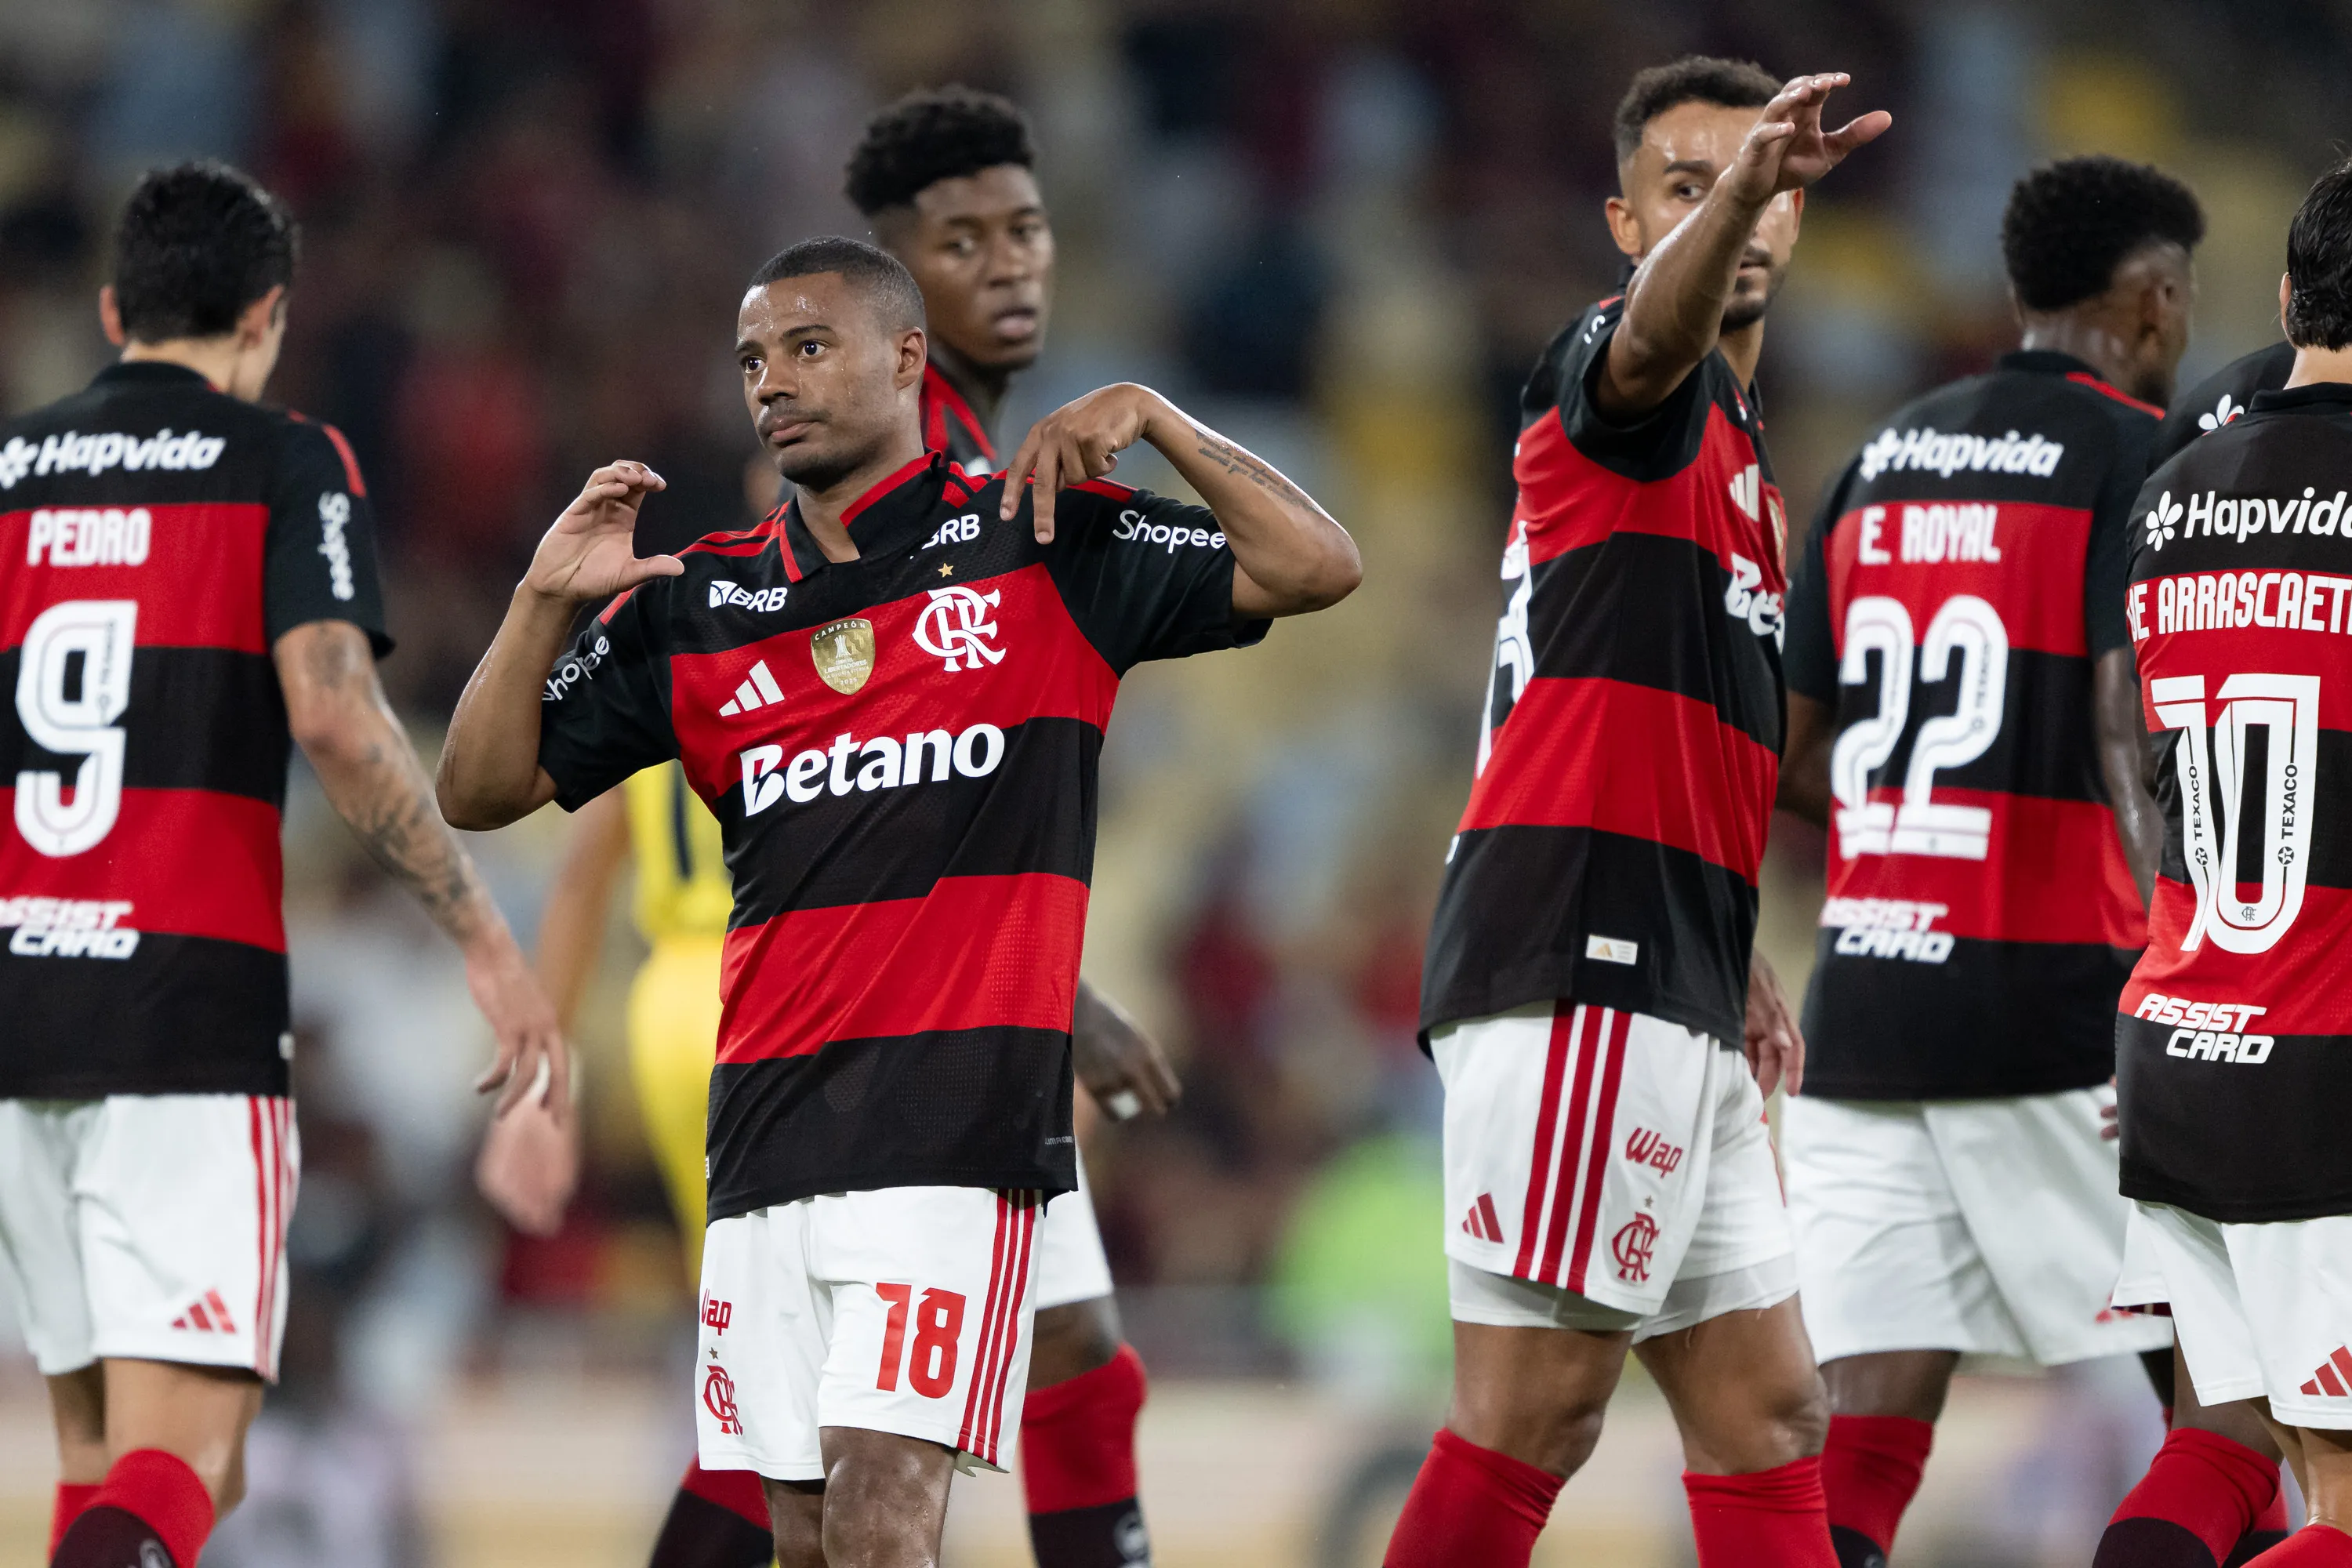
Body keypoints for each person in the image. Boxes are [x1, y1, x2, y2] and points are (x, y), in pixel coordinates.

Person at [435, 236, 1358, 1568]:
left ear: (908, 359)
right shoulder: (697, 605)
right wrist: (536, 601)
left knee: (881, 1523)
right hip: (759, 1139)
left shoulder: (1039, 539)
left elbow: (1318, 564)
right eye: (754, 360)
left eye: (809, 348)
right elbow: (480, 788)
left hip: (952, 1138)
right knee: (802, 1542)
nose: (773, 383)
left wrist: (1156, 420)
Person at [0, 161, 564, 1568]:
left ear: (114, 308)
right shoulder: (284, 461)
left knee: (93, 1456)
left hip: (27, 1013)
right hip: (184, 1012)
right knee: (195, 1457)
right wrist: (489, 944)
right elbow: (333, 713)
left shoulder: (6, 471)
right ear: (267, 316)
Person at [1389, 59, 1888, 1568]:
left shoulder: (1744, 462)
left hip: (1676, 969)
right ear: (1626, 221)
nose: (1735, 214)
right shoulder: (1620, 381)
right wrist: (1739, 191)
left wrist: (1730, 940)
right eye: (1690, 186)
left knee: (1770, 1411)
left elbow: (1694, 736)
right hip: (1580, 959)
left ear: (1800, 221)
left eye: (1760, 187)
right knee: (1532, 1412)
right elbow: (1652, 340)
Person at [1773, 154, 2291, 1568]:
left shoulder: (1882, 458)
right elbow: (2134, 737)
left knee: (1864, 1423)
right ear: (2155, 295)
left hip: (1865, 1010)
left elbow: (1786, 747)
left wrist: (1918, 830)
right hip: (2056, 1004)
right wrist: (2186, 973)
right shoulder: (2139, 458)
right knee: (2229, 1415)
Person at [847, 84, 1178, 1568]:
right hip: (871, 995)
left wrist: (1068, 993)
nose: (1009, 262)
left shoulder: (979, 455)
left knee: (1073, 1361)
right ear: (895, 281)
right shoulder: (867, 458)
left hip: (957, 990)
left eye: (1025, 229)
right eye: (961, 240)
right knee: (835, 1445)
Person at [2100, 155, 2352, 1568]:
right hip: (2329, 1053)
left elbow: (2151, 766)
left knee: (2220, 1440)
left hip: (2187, 1036)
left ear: (2283, 296)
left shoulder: (2176, 490)